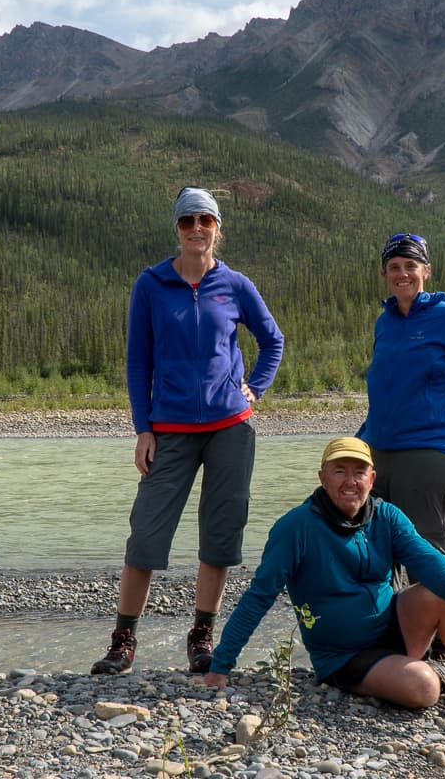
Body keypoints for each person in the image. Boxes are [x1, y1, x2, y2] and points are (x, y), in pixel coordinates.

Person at [202, 437, 445, 719]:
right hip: (343, 655)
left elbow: (430, 562)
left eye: (359, 472)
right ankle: (428, 674)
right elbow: (259, 596)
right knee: (424, 689)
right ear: (323, 477)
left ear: (372, 479)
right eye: (340, 471)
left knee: (442, 592)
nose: (351, 481)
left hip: (394, 626)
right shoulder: (294, 528)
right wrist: (221, 664)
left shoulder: (388, 517)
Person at [91, 186, 284, 675]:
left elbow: (272, 340)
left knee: (219, 537)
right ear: (176, 229)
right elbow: (138, 362)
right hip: (169, 429)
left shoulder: (236, 285)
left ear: (218, 228)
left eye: (206, 220)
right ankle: (123, 639)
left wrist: (255, 388)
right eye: (187, 221)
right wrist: (143, 428)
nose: (197, 229)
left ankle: (202, 635)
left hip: (231, 429)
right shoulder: (151, 284)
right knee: (146, 537)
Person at [356, 233, 445, 561]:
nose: (402, 273)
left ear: (426, 271)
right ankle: (390, 616)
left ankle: (444, 615)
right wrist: (359, 442)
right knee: (371, 558)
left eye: (410, 265)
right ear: (384, 275)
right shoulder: (385, 324)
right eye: (394, 266)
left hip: (431, 454)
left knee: (425, 562)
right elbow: (386, 394)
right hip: (377, 453)